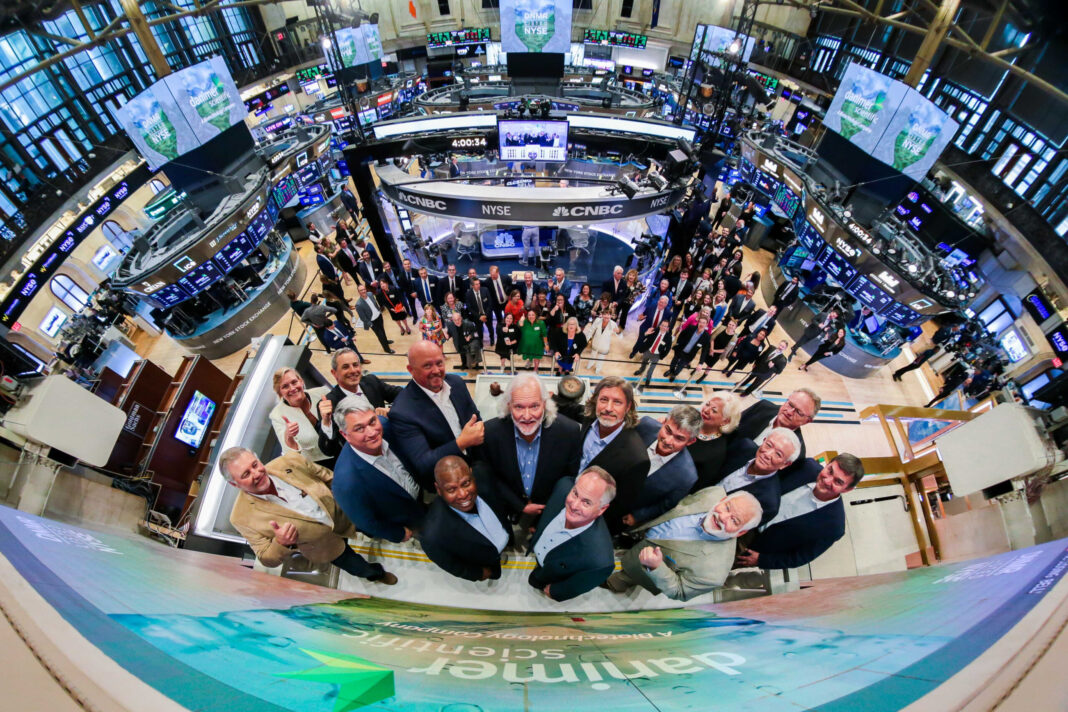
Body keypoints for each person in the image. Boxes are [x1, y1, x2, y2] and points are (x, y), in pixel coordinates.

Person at [223, 447, 397, 584]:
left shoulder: (290, 461)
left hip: (343, 514)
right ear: (234, 484)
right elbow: (265, 557)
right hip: (323, 547)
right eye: (246, 474)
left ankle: (390, 534)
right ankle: (377, 575)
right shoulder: (240, 517)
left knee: (376, 526)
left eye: (255, 465)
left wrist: (342, 493)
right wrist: (281, 543)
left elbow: (327, 476)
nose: (256, 474)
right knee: (358, 567)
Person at [605, 487, 761, 601]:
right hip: (634, 529)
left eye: (734, 521)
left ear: (740, 532)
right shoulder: (714, 493)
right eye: (727, 508)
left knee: (611, 581)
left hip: (635, 571)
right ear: (721, 500)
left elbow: (680, 591)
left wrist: (656, 567)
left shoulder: (714, 573)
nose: (723, 517)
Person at [475, 374, 583, 525]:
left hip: (547, 505)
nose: (527, 416)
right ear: (508, 405)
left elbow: (568, 477)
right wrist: (519, 505)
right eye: (519, 406)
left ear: (545, 404)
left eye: (534, 406)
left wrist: (549, 506)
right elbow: (489, 476)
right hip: (509, 504)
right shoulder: (490, 433)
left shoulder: (569, 432)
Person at [733, 454, 864, 574]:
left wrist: (762, 560)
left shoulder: (834, 527)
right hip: (740, 512)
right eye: (830, 471)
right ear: (828, 464)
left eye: (838, 482)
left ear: (847, 489)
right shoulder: (807, 467)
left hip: (750, 545)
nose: (827, 480)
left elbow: (800, 557)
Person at [331, 398, 426, 543]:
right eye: (359, 428)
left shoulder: (385, 426)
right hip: (408, 521)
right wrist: (397, 534)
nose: (372, 432)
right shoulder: (346, 483)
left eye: (372, 421)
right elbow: (365, 521)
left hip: (422, 494)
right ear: (345, 435)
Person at [390, 341, 483, 486]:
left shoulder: (457, 383)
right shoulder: (402, 412)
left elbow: (476, 420)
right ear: (410, 369)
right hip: (446, 484)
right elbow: (423, 464)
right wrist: (461, 443)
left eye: (439, 363)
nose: (436, 370)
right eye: (427, 365)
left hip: (476, 468)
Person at [528, 470, 617, 601]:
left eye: (586, 502)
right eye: (575, 493)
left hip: (549, 576)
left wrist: (555, 592)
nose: (574, 505)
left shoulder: (600, 562)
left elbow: (576, 586)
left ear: (602, 509)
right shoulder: (563, 485)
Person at [419, 456, 511, 581]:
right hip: (488, 563)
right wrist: (478, 574)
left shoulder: (482, 472)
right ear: (438, 490)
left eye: (466, 483)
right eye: (451, 489)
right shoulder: (432, 536)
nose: (463, 494)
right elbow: (452, 565)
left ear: (472, 475)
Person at [579, 376, 651, 535]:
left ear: (628, 407)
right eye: (603, 399)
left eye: (617, 402)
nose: (608, 408)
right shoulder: (590, 418)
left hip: (590, 514)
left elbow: (619, 505)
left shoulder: (637, 459)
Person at [314, 348, 402, 459]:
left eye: (355, 365)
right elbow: (329, 450)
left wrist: (391, 411)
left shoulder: (371, 381)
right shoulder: (330, 405)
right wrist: (326, 423)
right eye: (345, 367)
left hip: (393, 446)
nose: (352, 370)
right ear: (334, 373)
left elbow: (404, 395)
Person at [623, 407, 701, 528]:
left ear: (690, 442)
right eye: (668, 431)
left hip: (626, 509)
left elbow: (665, 505)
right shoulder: (645, 425)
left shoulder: (687, 477)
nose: (668, 441)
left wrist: (638, 516)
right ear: (664, 422)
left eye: (679, 438)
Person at [712, 427, 803, 524]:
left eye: (778, 454)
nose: (768, 454)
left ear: (785, 464)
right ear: (763, 441)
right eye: (768, 445)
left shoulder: (768, 503)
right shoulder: (744, 446)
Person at [731, 388, 820, 463]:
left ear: (807, 421)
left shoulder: (797, 453)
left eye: (798, 412)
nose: (789, 412)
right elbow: (732, 425)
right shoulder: (763, 407)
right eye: (790, 404)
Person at [268, 368, 331, 467]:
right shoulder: (277, 415)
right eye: (285, 386)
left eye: (294, 382)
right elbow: (291, 456)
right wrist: (289, 438)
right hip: (319, 465)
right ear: (280, 393)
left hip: (344, 449)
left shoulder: (322, 393)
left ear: (301, 381)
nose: (292, 388)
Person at [688, 392, 743, 491]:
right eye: (707, 404)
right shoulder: (692, 419)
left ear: (725, 421)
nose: (706, 410)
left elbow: (698, 484)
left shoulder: (716, 452)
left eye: (714, 411)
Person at [892, 322, 962, 381]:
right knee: (916, 364)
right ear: (955, 326)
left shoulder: (951, 333)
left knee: (916, 365)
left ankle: (899, 373)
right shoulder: (945, 329)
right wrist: (936, 345)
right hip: (931, 347)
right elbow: (936, 336)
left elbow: (944, 341)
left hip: (934, 349)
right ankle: (897, 373)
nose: (958, 330)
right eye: (958, 328)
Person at [665, 315, 711, 382]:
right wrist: (678, 344)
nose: (701, 324)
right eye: (700, 322)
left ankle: (674, 374)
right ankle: (671, 370)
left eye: (704, 323)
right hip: (680, 350)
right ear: (698, 322)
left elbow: (705, 351)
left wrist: (700, 363)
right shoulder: (690, 328)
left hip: (688, 355)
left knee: (680, 366)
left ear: (706, 324)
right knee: (673, 362)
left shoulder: (706, 337)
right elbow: (681, 335)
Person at [354, 284, 394, 354]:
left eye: (364, 289)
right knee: (380, 335)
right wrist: (371, 325)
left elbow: (375, 303)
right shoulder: (358, 304)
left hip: (378, 316)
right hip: (373, 322)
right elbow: (363, 318)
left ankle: (386, 340)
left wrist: (379, 311)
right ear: (358, 292)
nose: (363, 291)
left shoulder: (370, 294)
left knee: (382, 330)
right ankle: (386, 348)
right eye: (361, 290)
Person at [517, 308, 549, 373]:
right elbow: (519, 326)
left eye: (533, 315)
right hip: (527, 345)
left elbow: (544, 335)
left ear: (536, 315)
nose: (531, 316)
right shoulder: (524, 321)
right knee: (529, 354)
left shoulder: (541, 323)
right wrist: (521, 320)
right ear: (527, 316)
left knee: (537, 357)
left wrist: (546, 344)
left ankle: (536, 368)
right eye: (529, 315)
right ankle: (530, 361)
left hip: (538, 345)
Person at [485, 265, 513, 336]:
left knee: (508, 318)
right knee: (499, 319)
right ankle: (500, 334)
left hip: (506, 302)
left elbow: (511, 284)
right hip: (496, 305)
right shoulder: (488, 281)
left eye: (494, 275)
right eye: (491, 275)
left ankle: (508, 333)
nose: (493, 277)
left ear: (498, 273)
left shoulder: (506, 278)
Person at [463, 277, 493, 344]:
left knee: (490, 328)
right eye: (476, 284)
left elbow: (490, 303)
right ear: (472, 286)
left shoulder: (485, 290)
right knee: (479, 330)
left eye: (479, 283)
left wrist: (486, 315)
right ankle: (480, 341)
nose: (478, 285)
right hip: (477, 316)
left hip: (487, 314)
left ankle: (492, 339)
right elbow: (470, 308)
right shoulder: (468, 294)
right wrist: (479, 317)